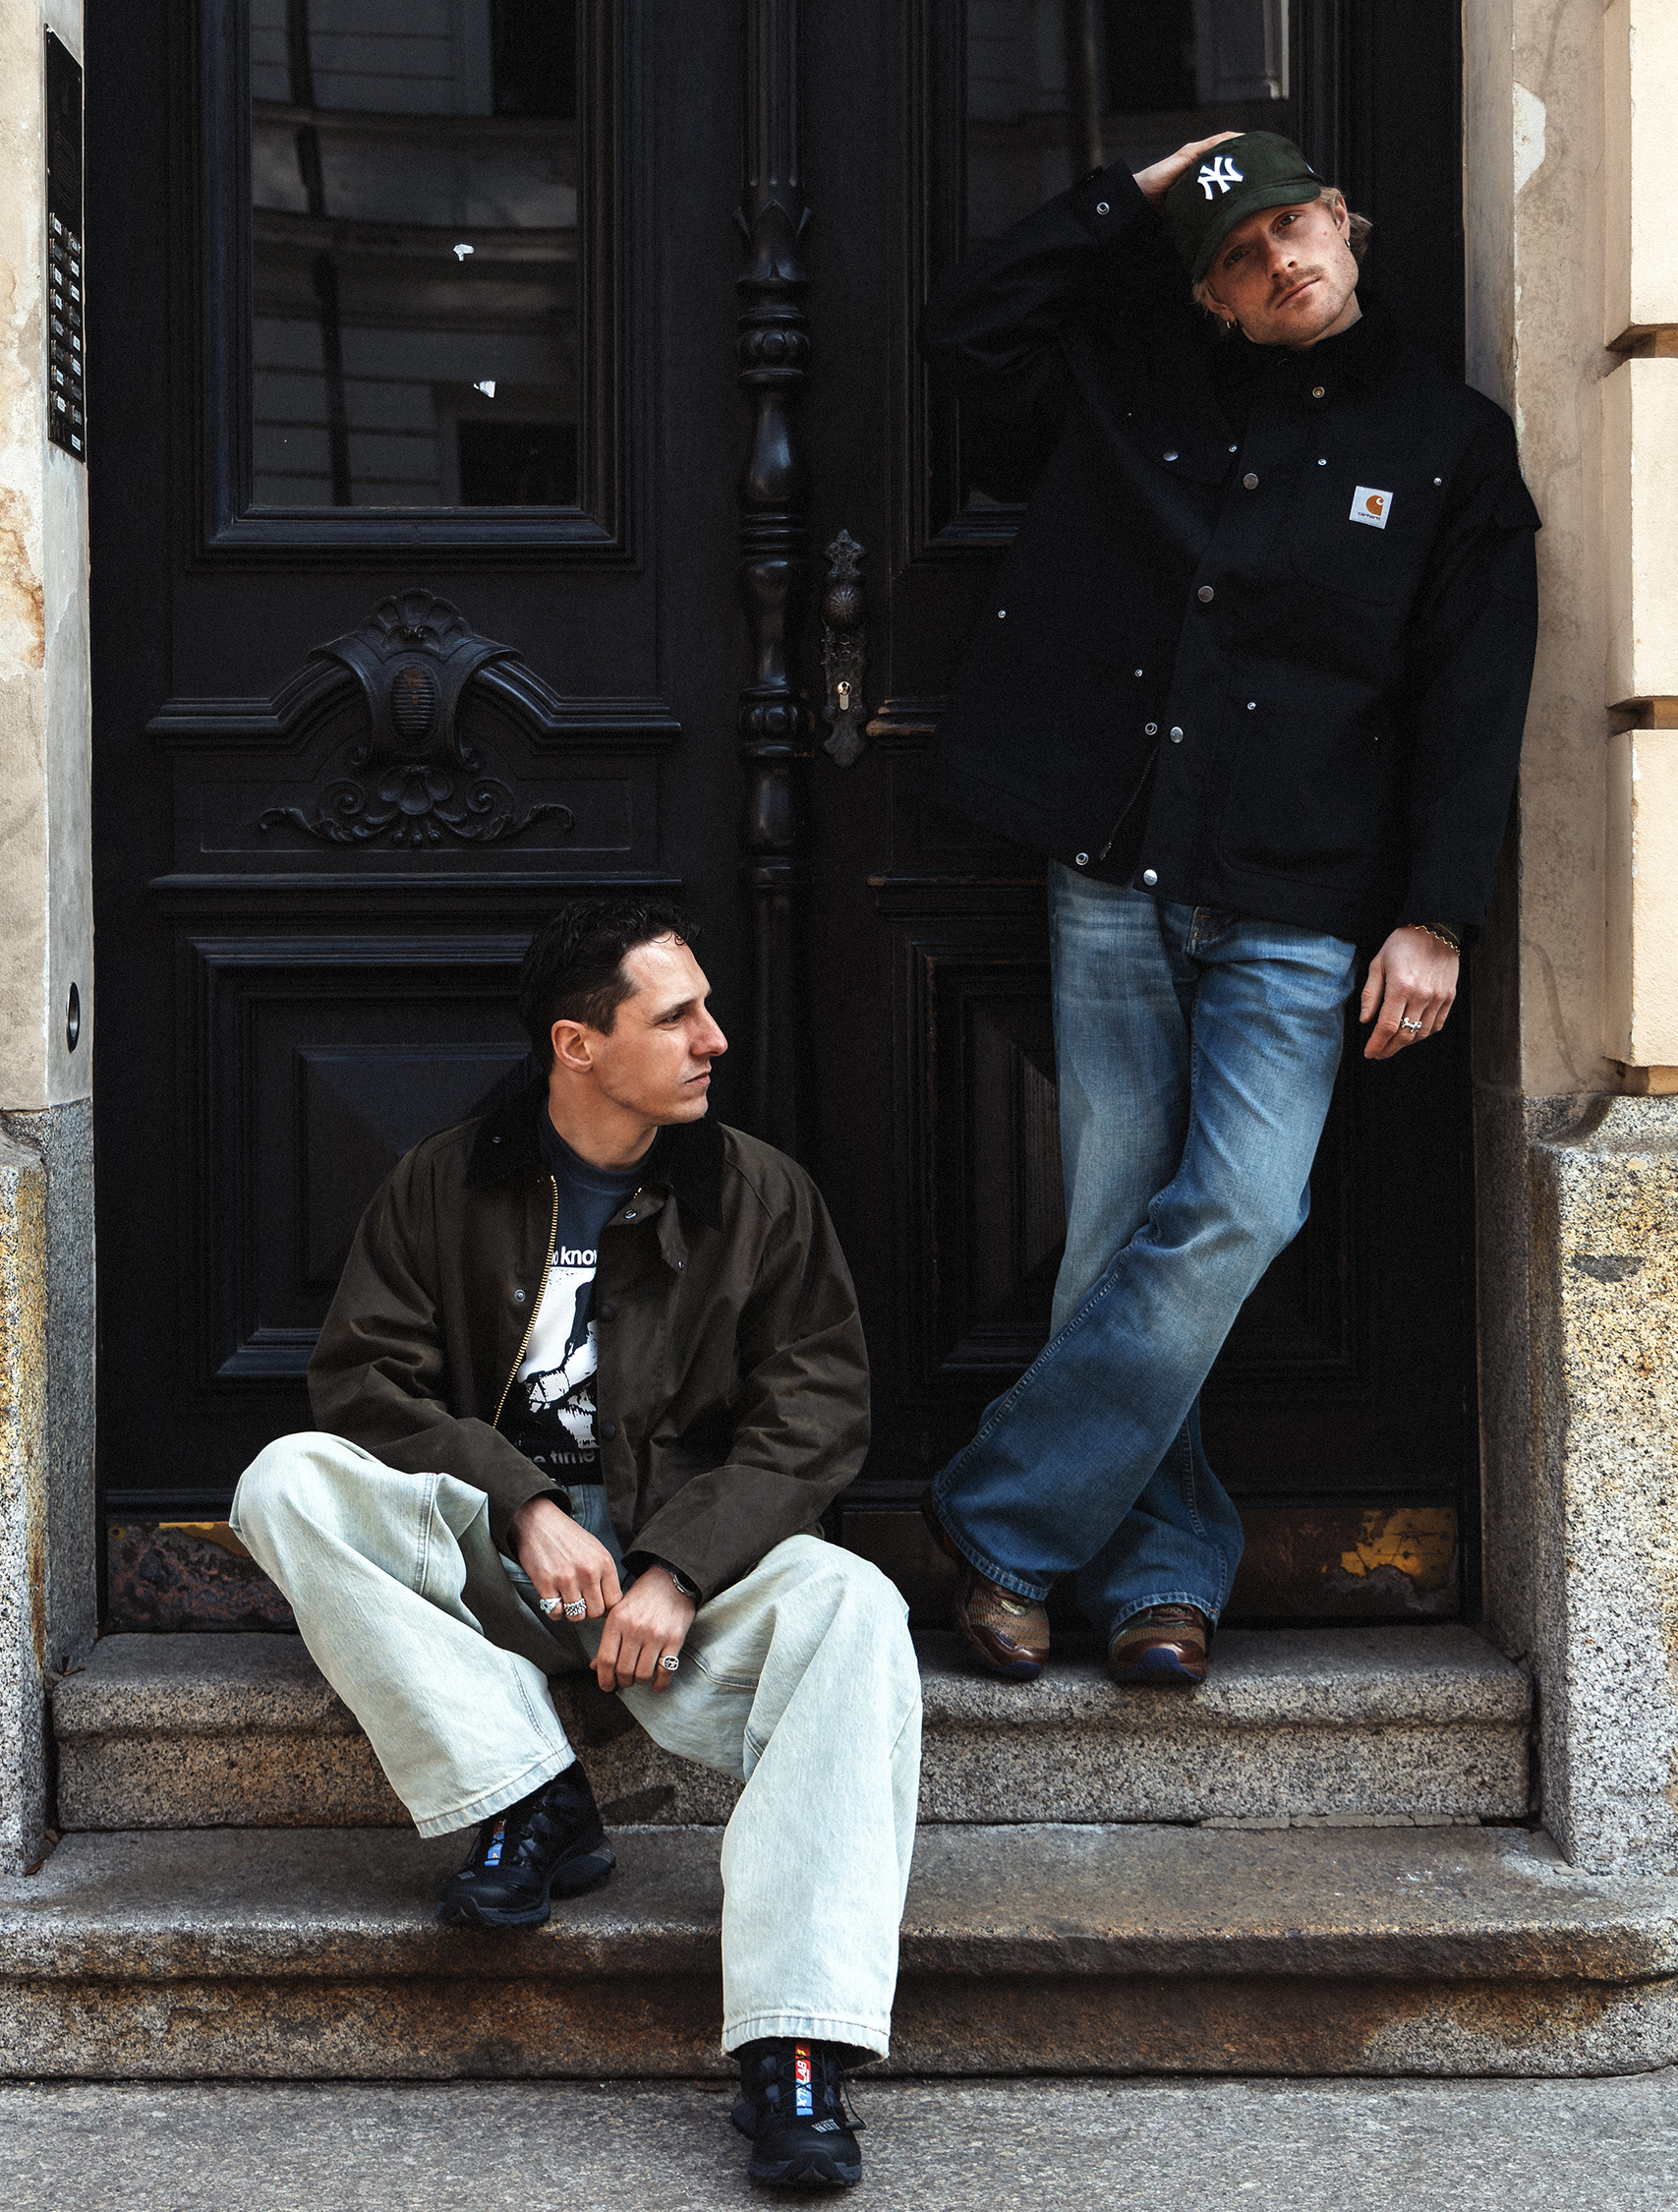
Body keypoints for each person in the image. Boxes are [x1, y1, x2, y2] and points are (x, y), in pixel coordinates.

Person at [917, 131, 1539, 1688]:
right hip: (1114, 865)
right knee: (1114, 1229)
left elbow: (1474, 698)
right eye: (1241, 256)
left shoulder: (1450, 442)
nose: (1279, 262)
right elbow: (967, 331)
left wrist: (1439, 915)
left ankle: (1000, 1519)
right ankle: (1159, 1579)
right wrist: (1131, 197)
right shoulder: (1133, 377)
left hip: (1302, 893)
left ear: (1345, 221)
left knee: (1243, 1208)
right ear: (1212, 295)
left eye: (1293, 227)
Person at [230, 897, 918, 2191]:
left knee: (858, 1606)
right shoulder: (446, 1182)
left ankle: (798, 2041)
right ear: (578, 1043)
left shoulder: (760, 1196)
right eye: (677, 1017)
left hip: (681, 1590)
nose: (715, 1039)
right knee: (286, 1482)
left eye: (707, 1009)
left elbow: (816, 1418)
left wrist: (682, 1568)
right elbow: (363, 1382)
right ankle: (530, 1790)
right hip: (498, 1570)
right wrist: (522, 1502)